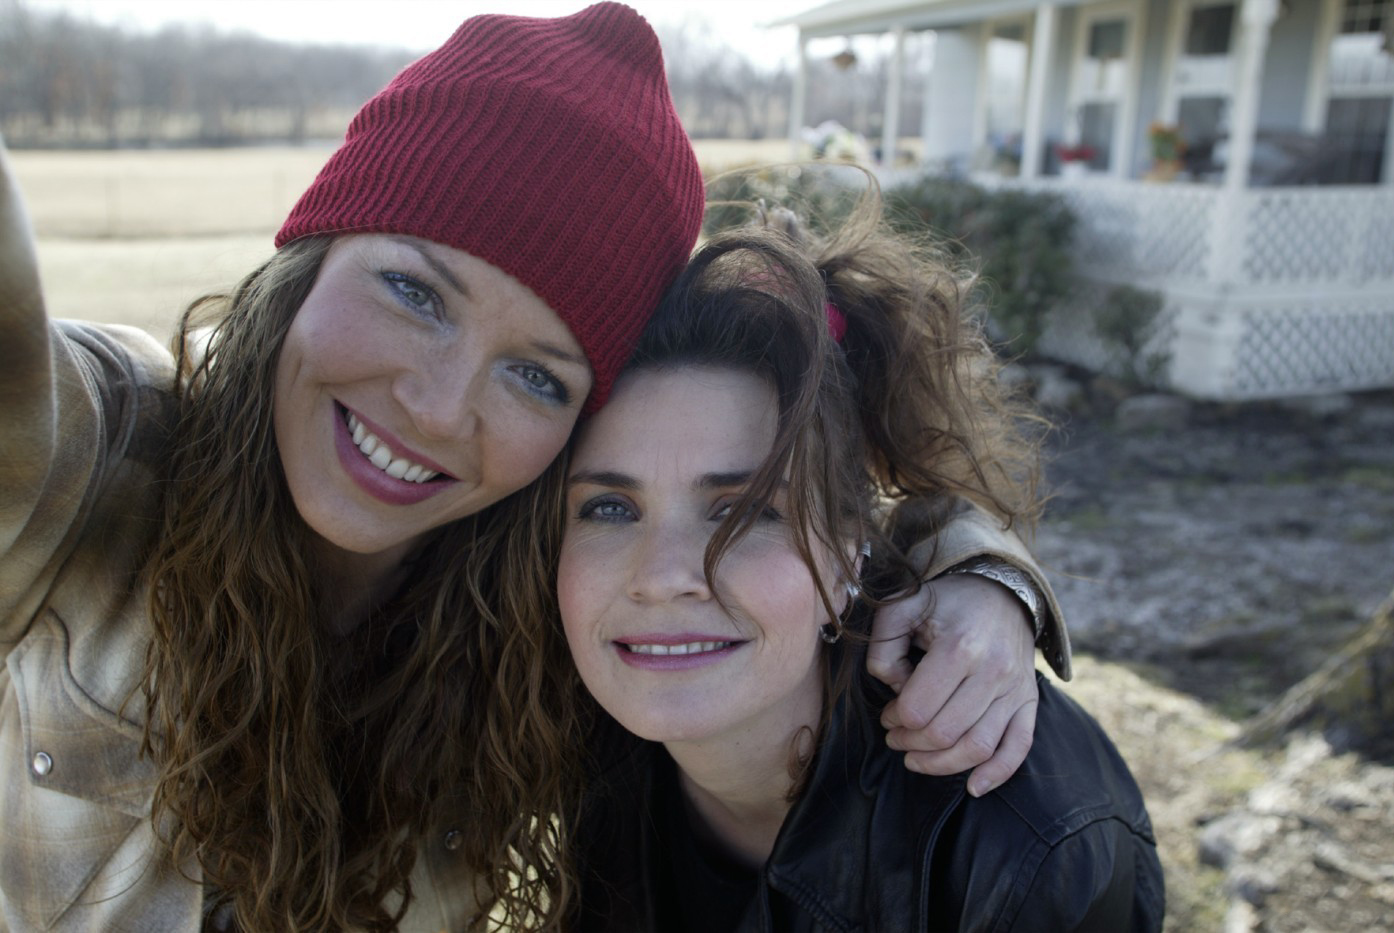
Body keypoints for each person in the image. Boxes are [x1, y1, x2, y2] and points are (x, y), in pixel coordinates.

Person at [1, 5, 1065, 930]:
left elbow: (798, 518)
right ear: (312, 254)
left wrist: (978, 573)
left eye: (536, 376)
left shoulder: (550, 604)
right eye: (414, 292)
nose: (436, 408)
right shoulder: (100, 462)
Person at [559, 196, 1165, 930]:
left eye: (743, 512)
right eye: (610, 508)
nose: (660, 577)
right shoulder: (549, 723)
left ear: (852, 544)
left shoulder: (1023, 846)